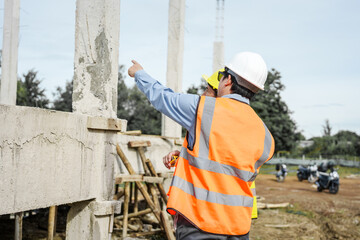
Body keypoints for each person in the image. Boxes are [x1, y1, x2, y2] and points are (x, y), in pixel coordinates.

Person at [128, 52, 275, 239]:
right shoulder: (265, 135)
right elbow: (225, 164)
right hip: (238, 229)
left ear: (228, 80)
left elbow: (163, 97)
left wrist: (139, 73)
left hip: (200, 224)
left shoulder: (204, 109)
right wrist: (184, 156)